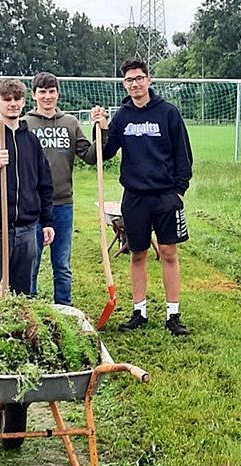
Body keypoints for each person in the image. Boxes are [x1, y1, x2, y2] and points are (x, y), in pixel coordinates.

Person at [101, 59, 193, 336]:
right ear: (124, 84)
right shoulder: (122, 117)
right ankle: (139, 311)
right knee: (137, 253)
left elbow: (183, 155)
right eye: (129, 80)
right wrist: (103, 127)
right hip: (135, 197)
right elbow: (105, 153)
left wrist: (179, 191)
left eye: (139, 78)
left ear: (149, 80)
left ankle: (173, 315)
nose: (135, 84)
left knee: (168, 252)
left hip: (165, 195)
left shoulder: (168, 113)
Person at [22, 72, 109, 305]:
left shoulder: (69, 123)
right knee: (31, 261)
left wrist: (101, 130)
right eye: (42, 92)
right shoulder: (25, 124)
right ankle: (30, 309)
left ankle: (65, 308)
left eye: (51, 91)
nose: (47, 96)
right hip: (32, 206)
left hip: (62, 204)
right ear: (34, 95)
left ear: (57, 94)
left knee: (62, 263)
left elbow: (90, 156)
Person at [0, 78, 55, 302]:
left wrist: (47, 221)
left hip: (26, 229)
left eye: (17, 99)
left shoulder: (31, 141)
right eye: (7, 99)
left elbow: (44, 183)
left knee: (22, 295)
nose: (12, 103)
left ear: (24, 102)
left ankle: (19, 334)